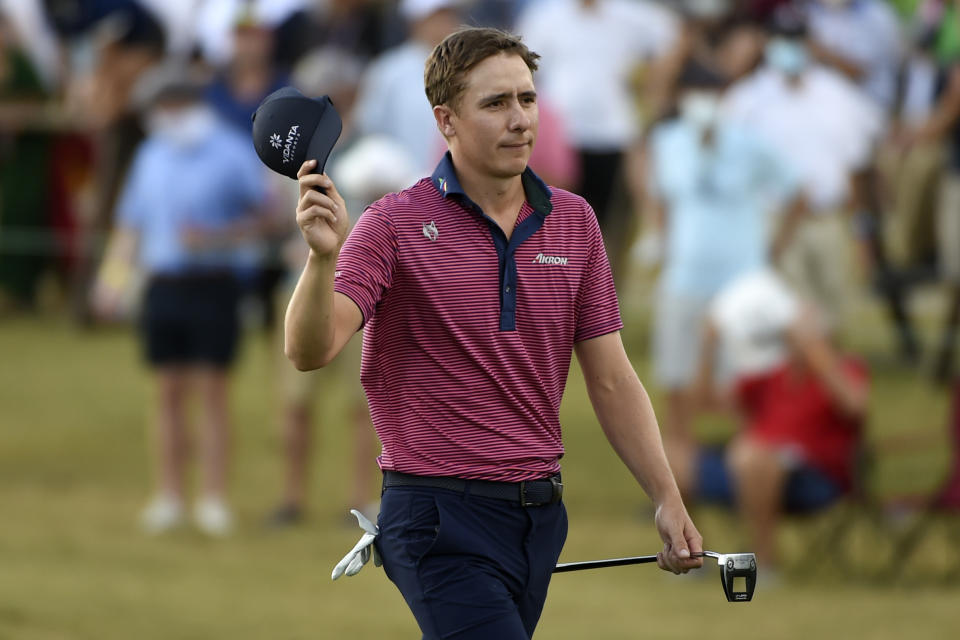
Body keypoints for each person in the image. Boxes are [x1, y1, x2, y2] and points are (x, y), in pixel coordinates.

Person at [286, 26, 703, 639]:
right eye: (496, 103)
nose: (519, 120)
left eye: (527, 100)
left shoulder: (575, 223)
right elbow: (309, 350)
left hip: (538, 516)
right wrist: (323, 260)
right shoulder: (393, 224)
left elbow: (612, 379)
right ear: (446, 120)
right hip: (435, 514)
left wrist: (666, 495)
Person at [91, 65, 268, 536]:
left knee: (213, 393)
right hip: (163, 284)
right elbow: (130, 226)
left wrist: (218, 237)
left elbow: (268, 218)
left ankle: (213, 497)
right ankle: (169, 496)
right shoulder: (151, 155)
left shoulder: (231, 152)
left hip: (215, 283)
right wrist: (111, 281)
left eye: (173, 105)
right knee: (167, 392)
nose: (166, 115)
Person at [643, 60, 803, 500]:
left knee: (743, 393)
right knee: (678, 391)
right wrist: (663, 242)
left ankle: (744, 485)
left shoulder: (750, 144)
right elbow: (660, 199)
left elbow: (797, 191)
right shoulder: (667, 142)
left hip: (741, 287)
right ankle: (677, 495)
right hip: (683, 282)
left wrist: (773, 251)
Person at [690, 270, 869, 570]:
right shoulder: (772, 373)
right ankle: (692, 557)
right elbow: (706, 403)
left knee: (753, 457)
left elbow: (855, 406)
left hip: (815, 476)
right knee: (679, 458)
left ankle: (763, 563)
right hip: (751, 464)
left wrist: (814, 349)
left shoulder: (843, 367)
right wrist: (709, 345)